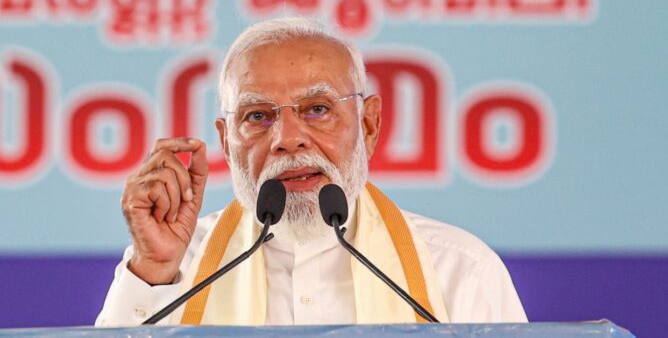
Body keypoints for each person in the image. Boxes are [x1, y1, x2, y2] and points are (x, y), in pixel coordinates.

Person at [96, 17, 527, 326]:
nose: (288, 137)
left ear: (369, 124)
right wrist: (153, 271)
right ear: (226, 143)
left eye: (317, 110)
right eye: (258, 116)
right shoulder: (174, 270)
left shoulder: (457, 269)